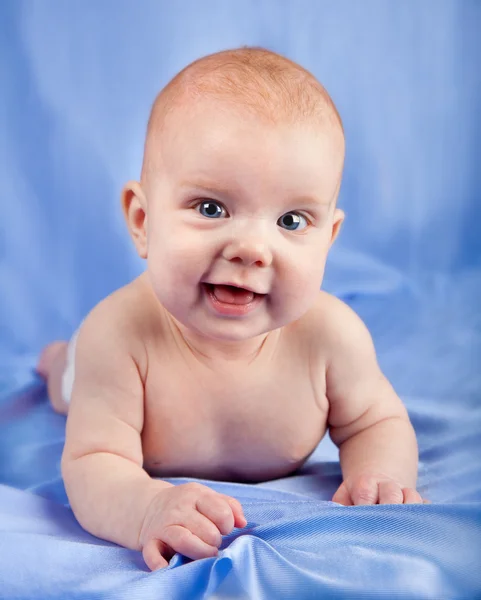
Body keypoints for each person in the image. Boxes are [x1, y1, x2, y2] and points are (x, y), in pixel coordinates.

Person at [37, 47, 424, 572]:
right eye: (211, 208)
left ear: (329, 238)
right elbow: (91, 462)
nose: (252, 248)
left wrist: (379, 473)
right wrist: (147, 507)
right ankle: (57, 359)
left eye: (291, 221)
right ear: (142, 220)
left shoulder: (333, 338)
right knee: (68, 382)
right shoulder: (121, 337)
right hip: (93, 363)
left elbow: (376, 421)